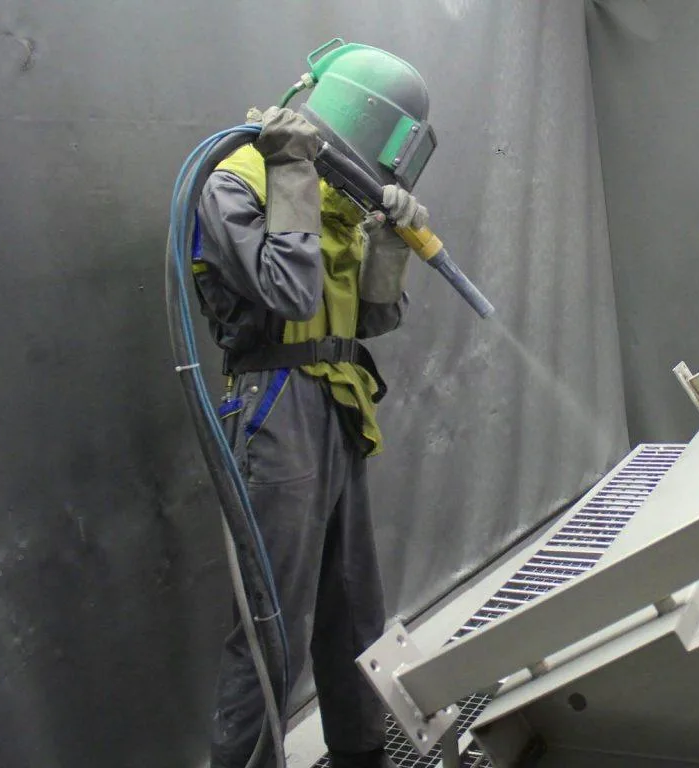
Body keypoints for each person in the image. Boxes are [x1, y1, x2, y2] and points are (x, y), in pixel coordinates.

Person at [192, 43, 435, 768]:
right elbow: (291, 294)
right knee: (272, 624)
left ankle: (361, 753)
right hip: (274, 407)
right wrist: (294, 173)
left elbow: (370, 320)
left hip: (336, 402)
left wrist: (388, 243)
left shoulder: (330, 196)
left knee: (353, 609)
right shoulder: (237, 180)